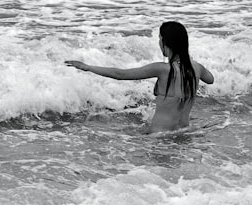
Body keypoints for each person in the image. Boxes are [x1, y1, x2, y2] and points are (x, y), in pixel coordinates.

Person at [65, 21, 214, 134]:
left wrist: (88, 67)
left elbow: (120, 74)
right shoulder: (197, 67)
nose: (159, 42)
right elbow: (210, 79)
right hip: (183, 132)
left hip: (159, 135)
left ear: (166, 43)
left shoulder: (163, 69)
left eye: (160, 38)